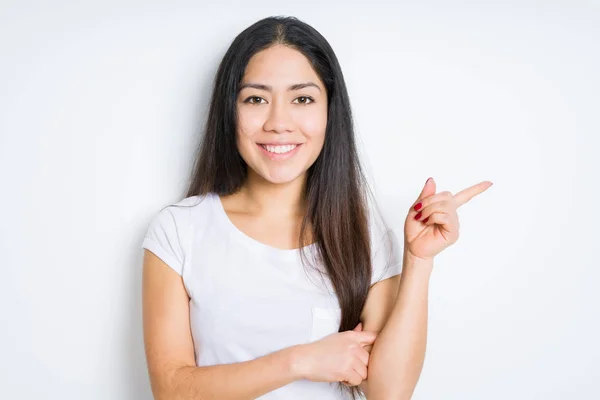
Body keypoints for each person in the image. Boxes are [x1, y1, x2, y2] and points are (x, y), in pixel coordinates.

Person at [141, 15, 492, 400]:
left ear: (329, 111)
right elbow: (171, 391)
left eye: (302, 99)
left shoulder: (363, 233)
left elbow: (389, 392)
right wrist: (301, 361)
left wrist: (419, 261)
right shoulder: (179, 229)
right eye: (256, 99)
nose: (278, 122)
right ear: (229, 111)